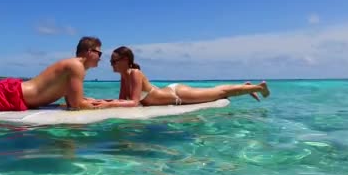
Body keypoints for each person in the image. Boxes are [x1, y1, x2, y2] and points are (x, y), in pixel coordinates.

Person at [91, 46, 270, 108]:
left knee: (220, 93)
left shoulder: (135, 73)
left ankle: (259, 88)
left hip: (178, 95)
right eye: (111, 61)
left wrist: (107, 104)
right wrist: (99, 100)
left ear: (126, 60)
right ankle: (245, 86)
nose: (111, 64)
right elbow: (123, 100)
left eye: (114, 61)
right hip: (171, 90)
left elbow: (134, 102)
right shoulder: (124, 76)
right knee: (215, 91)